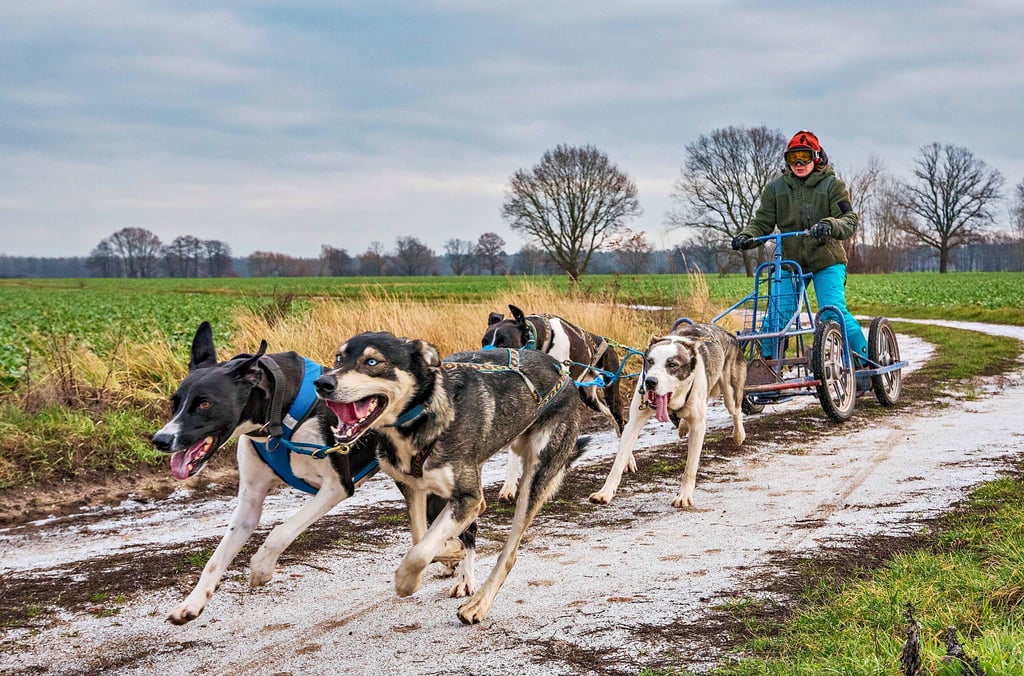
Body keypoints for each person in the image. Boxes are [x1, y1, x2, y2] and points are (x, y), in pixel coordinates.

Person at [731, 129, 869, 365]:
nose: (799, 163)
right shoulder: (775, 189)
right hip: (790, 262)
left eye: (804, 156)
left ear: (816, 157)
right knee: (777, 315)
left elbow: (849, 220)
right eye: (792, 158)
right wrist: (747, 236)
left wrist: (830, 224)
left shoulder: (833, 185)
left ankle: (863, 361)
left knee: (832, 311)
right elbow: (762, 223)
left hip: (826, 260)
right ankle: (767, 366)